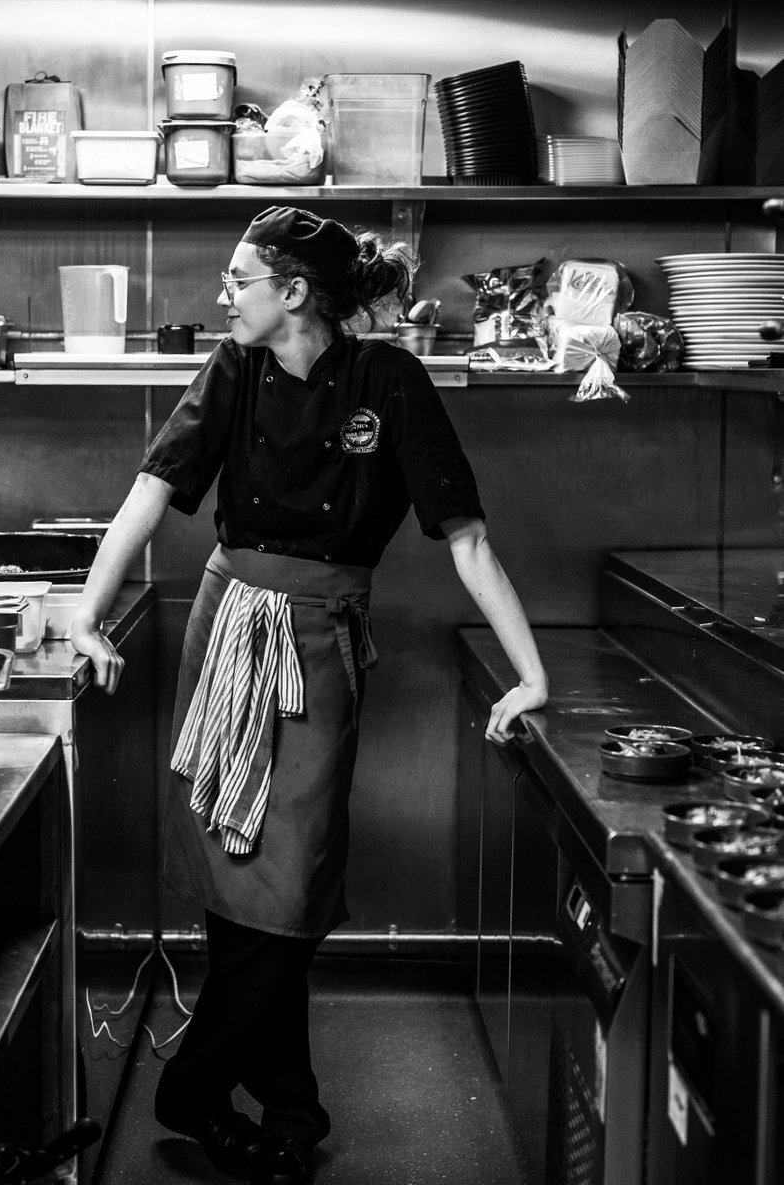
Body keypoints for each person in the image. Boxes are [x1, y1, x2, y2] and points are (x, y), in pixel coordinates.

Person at [71, 206, 548, 1185]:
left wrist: (531, 671)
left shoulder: (389, 381)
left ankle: (196, 1087)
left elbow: (466, 538)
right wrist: (88, 610)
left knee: (290, 881)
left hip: (322, 644)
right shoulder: (232, 372)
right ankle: (290, 1110)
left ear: (293, 292)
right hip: (227, 623)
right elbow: (151, 492)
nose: (222, 294)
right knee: (237, 870)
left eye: (238, 278)